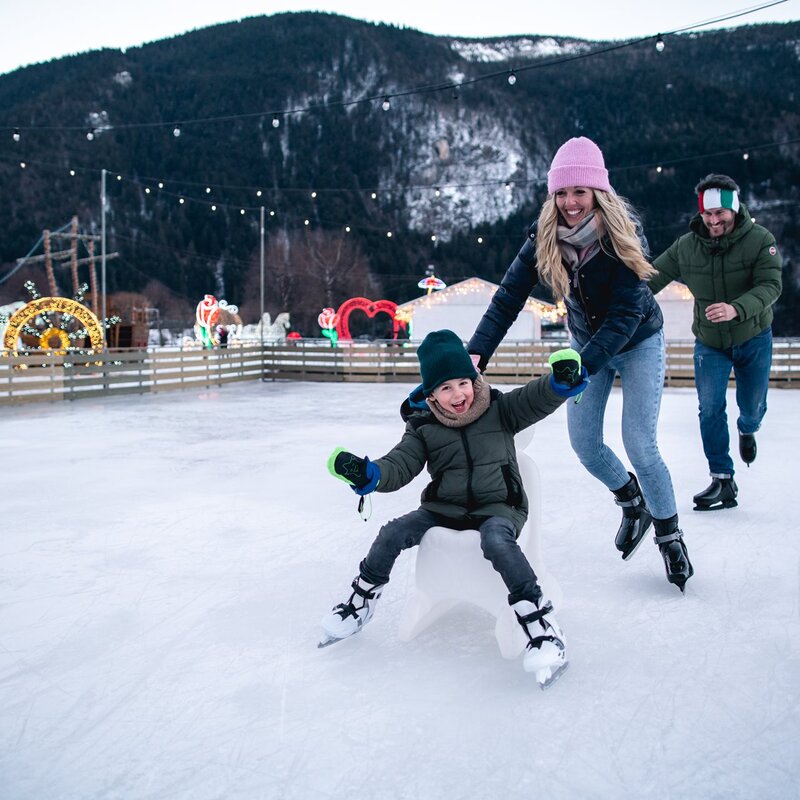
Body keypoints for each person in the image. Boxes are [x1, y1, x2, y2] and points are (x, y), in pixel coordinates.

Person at [467, 136, 693, 591]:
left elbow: (629, 313)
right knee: (584, 443)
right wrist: (477, 351)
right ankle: (633, 503)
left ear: (598, 193)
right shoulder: (544, 234)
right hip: (586, 344)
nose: (570, 203)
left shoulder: (624, 232)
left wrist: (581, 367)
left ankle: (670, 537)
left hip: (638, 341)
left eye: (579, 192)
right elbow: (510, 296)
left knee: (640, 444)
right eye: (562, 193)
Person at [320, 328, 588, 687]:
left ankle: (542, 625)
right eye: (445, 388)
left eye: (462, 382)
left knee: (495, 540)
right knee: (392, 531)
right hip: (443, 508)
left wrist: (559, 382)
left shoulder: (499, 408)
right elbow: (399, 465)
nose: (457, 394)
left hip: (498, 506)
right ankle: (360, 603)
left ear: (474, 380)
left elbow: (533, 398)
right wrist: (370, 474)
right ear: (431, 395)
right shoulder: (423, 428)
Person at [649, 174, 782, 511]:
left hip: (753, 337)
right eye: (707, 214)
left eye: (720, 213)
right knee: (709, 408)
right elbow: (650, 278)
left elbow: (771, 286)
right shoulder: (686, 246)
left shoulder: (760, 240)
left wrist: (737, 309)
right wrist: (614, 296)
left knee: (751, 406)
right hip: (709, 342)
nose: (713, 220)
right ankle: (722, 479)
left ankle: (748, 428)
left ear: (734, 210)